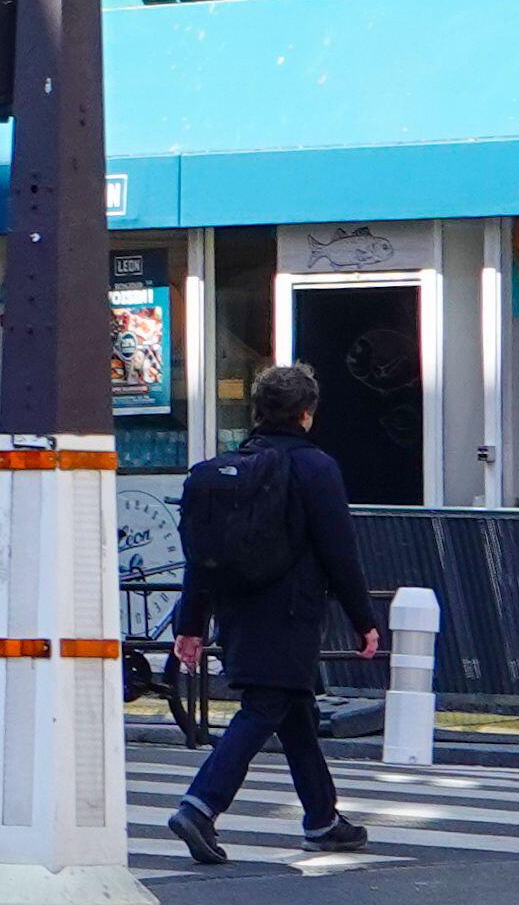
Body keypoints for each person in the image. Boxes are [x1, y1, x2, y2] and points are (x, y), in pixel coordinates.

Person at [165, 362, 386, 866]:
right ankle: (200, 806)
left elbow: (202, 554)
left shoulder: (226, 471)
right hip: (290, 612)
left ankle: (323, 819)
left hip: (237, 611)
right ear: (306, 414)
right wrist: (363, 618)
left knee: (295, 709)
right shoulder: (316, 468)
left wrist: (192, 624)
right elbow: (339, 551)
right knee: (266, 707)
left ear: (257, 410)